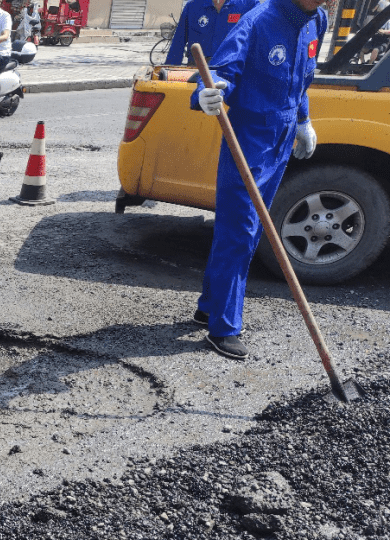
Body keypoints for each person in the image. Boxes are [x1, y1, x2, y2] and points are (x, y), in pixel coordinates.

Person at [191, 0, 327, 359]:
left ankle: (209, 305)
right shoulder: (257, 21)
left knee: (247, 232)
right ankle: (223, 327)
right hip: (249, 139)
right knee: (240, 230)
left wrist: (302, 119)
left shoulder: (318, 20)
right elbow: (220, 72)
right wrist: (205, 94)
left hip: (281, 139)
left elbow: (304, 77)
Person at [165, 0, 260, 65]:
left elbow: (259, 43)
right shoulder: (192, 7)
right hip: (196, 73)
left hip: (233, 74)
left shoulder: (250, 5)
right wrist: (168, 71)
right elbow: (178, 44)